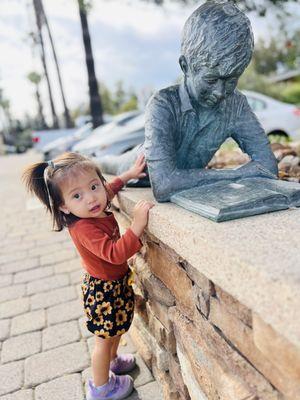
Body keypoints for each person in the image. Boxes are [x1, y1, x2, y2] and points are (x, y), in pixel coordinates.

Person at [98, 1, 278, 203]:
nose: (220, 92)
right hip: (139, 166)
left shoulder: (236, 104)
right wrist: (239, 174)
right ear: (186, 66)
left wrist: (217, 177)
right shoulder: (163, 104)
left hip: (186, 175)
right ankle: (91, 160)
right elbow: (165, 185)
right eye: (211, 80)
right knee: (105, 163)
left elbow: (268, 166)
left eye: (231, 80)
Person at [22, 152, 154, 400]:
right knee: (103, 340)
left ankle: (113, 362)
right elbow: (115, 253)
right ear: (63, 206)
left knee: (115, 331)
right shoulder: (83, 227)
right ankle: (101, 387)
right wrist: (137, 224)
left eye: (94, 186)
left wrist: (127, 175)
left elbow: (108, 190)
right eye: (77, 195)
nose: (91, 198)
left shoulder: (92, 207)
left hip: (114, 285)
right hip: (103, 291)